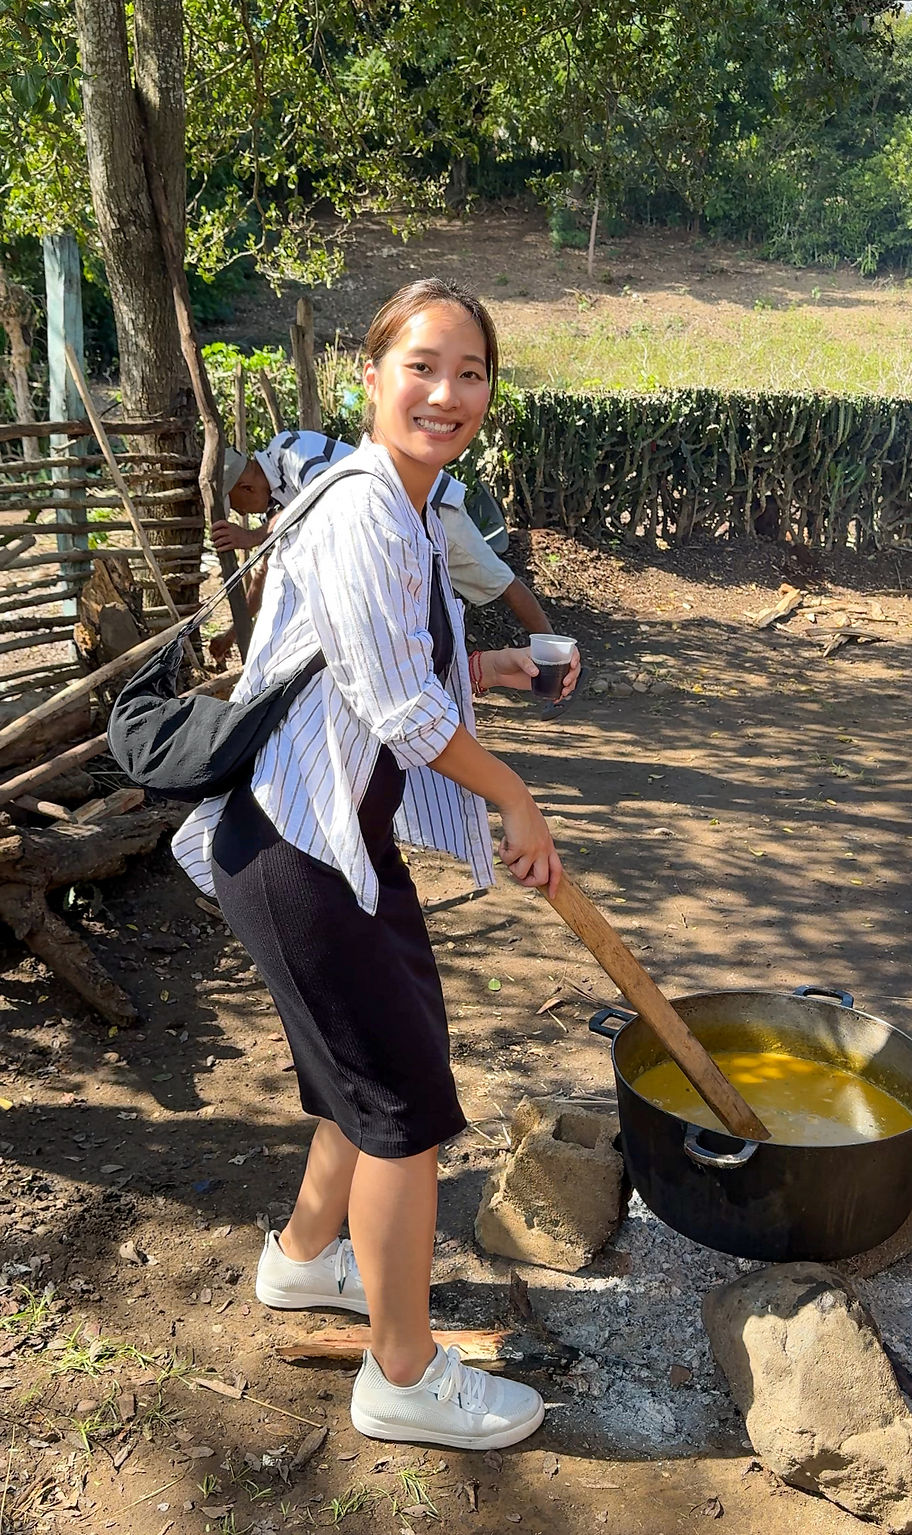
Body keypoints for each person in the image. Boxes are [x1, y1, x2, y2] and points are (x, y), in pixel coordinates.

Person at [172, 278, 579, 1450]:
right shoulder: (360, 506)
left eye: (471, 372)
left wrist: (497, 675)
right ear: (369, 375)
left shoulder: (413, 506)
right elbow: (396, 704)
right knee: (403, 1107)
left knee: (368, 1078)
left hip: (332, 844)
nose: (446, 392)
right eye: (421, 366)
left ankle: (306, 1260)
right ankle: (401, 1374)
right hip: (300, 852)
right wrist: (514, 797)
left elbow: (380, 673)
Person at [207, 432, 552, 664]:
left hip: (427, 505)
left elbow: (324, 500)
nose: (241, 514)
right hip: (399, 528)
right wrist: (233, 632)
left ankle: (558, 659)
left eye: (236, 504)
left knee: (498, 581)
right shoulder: (279, 501)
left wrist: (252, 537)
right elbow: (265, 573)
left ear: (246, 486)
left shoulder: (291, 451)